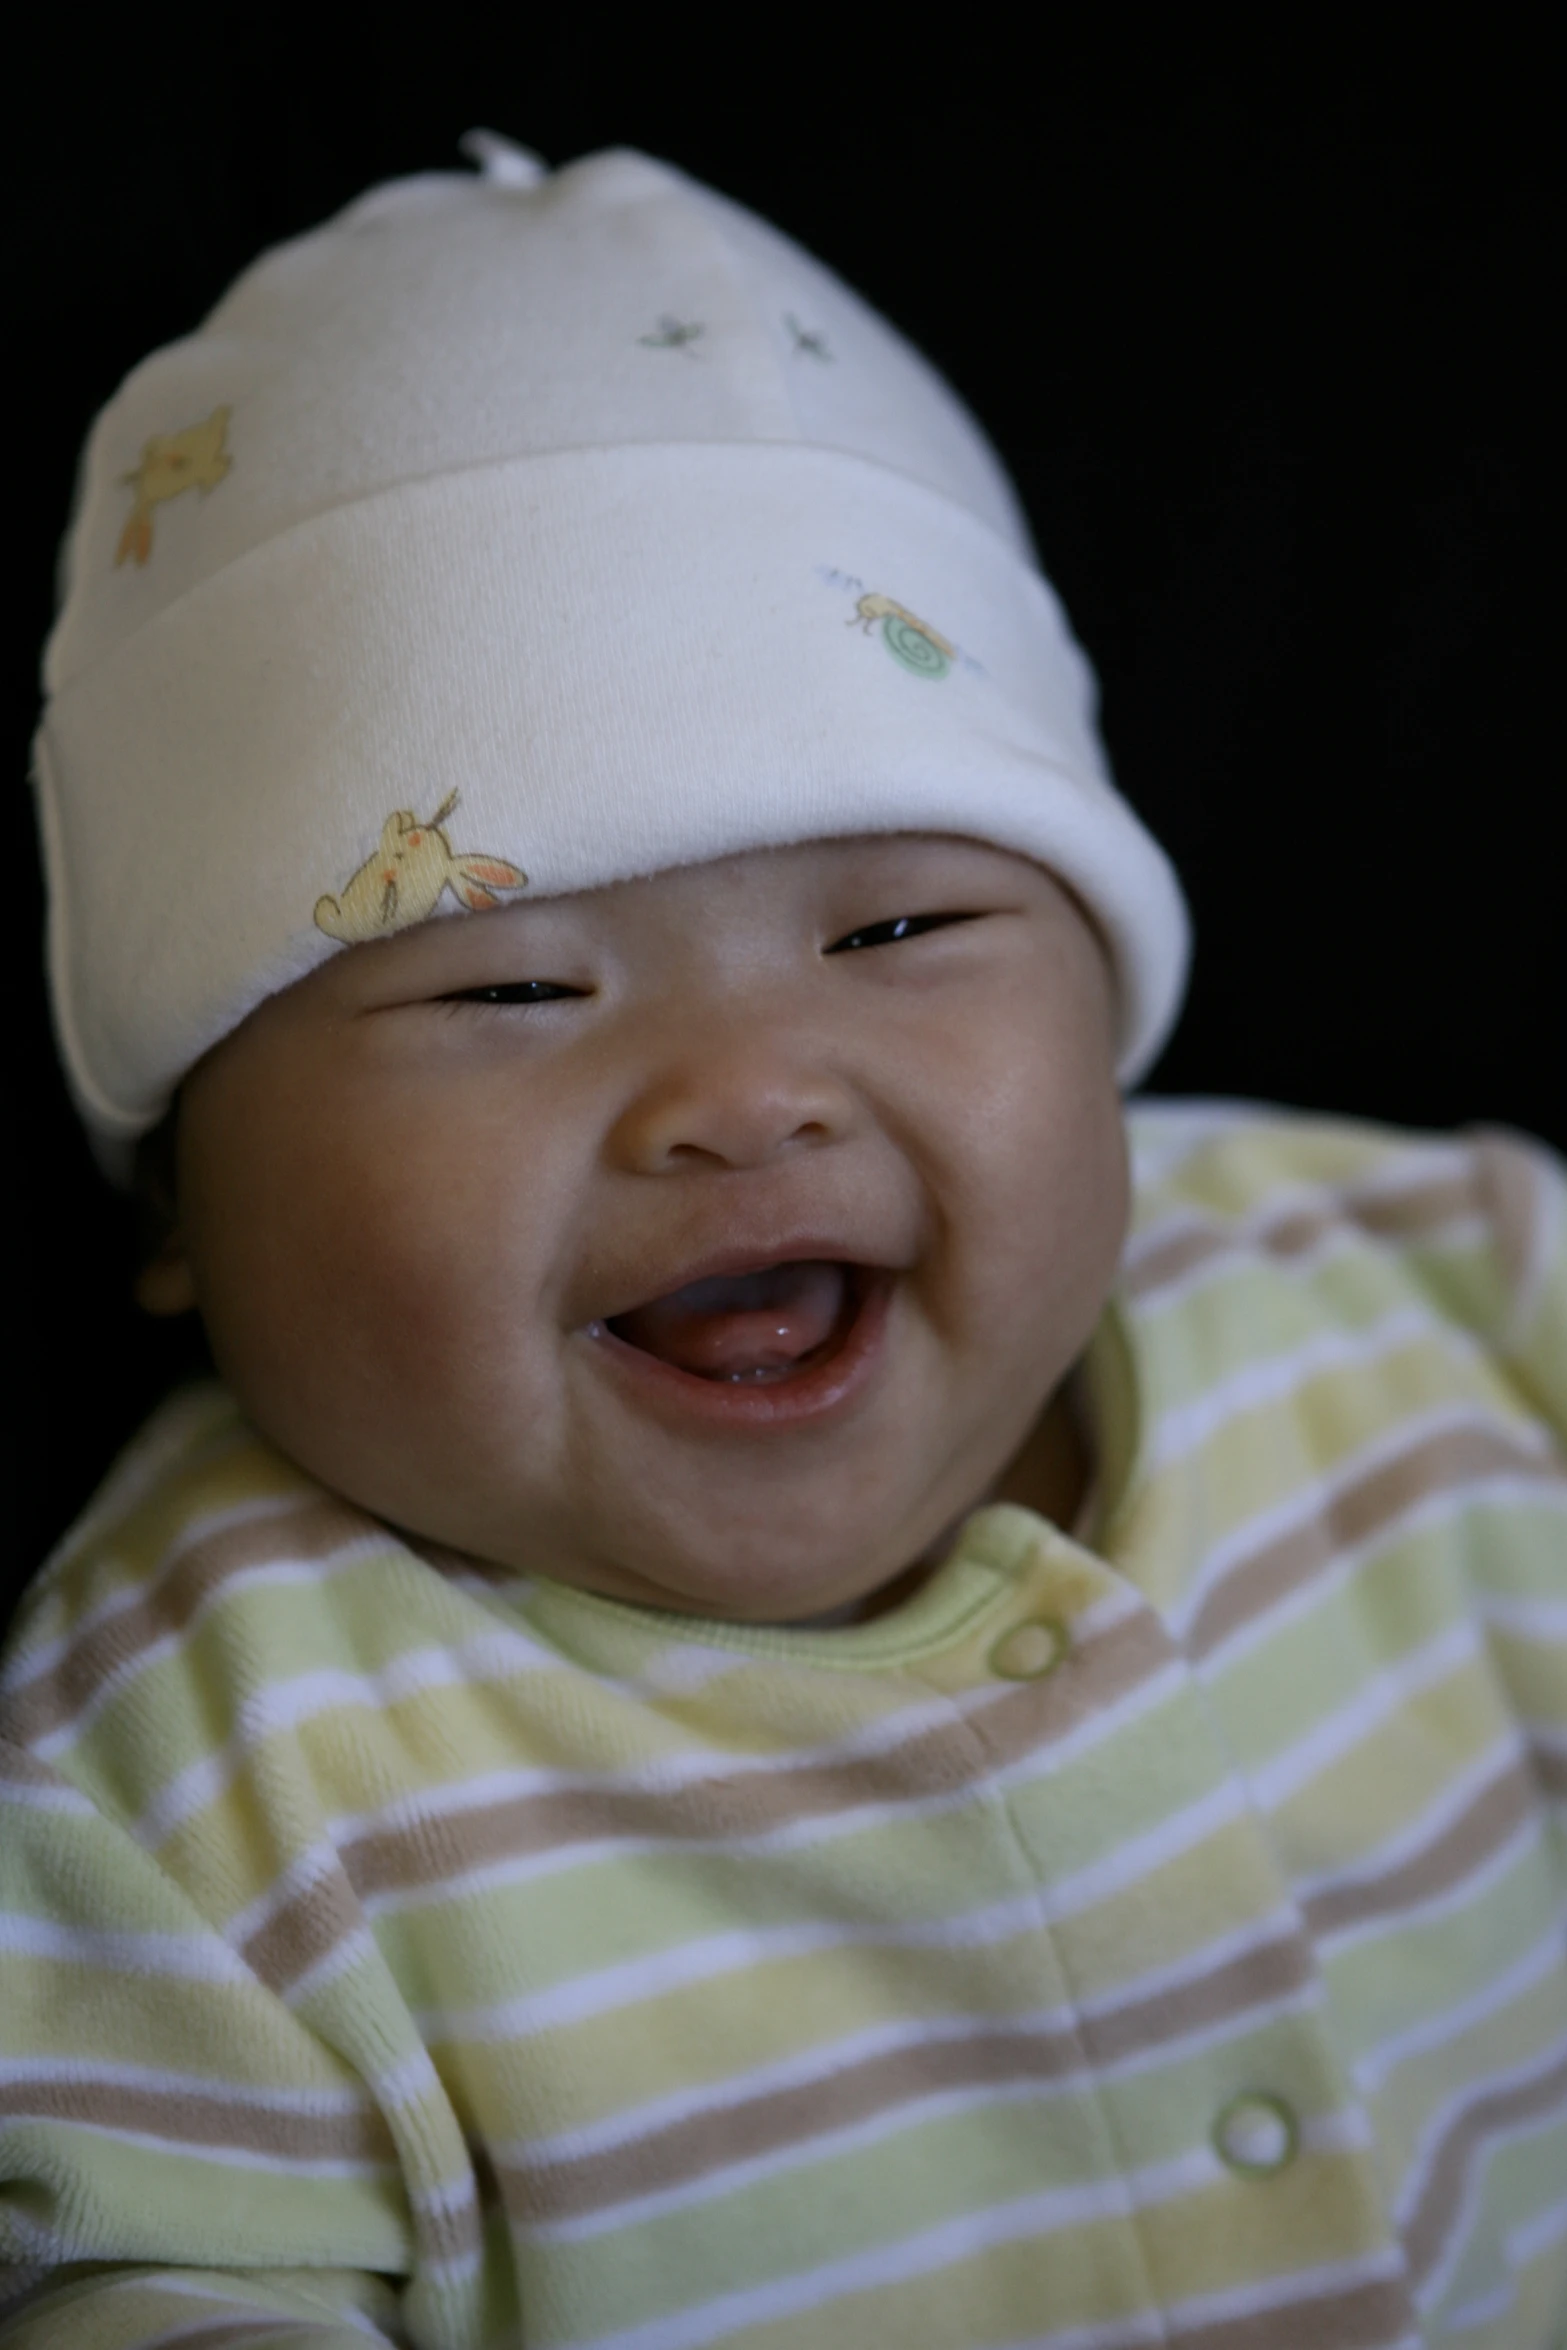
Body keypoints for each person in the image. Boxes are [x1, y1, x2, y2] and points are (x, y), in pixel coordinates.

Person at [2, 135, 1563, 2350]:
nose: (744, 1090)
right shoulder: (176, 1776)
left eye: (903, 923)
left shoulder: (1444, 1288)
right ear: (177, 1199)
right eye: (509, 988)